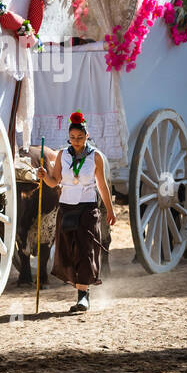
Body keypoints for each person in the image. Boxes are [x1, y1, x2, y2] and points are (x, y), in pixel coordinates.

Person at [37, 111, 115, 313]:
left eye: (80, 137)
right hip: (66, 208)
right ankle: (80, 288)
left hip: (88, 209)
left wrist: (111, 211)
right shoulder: (63, 155)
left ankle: (83, 297)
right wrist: (44, 176)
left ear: (87, 135)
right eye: (73, 137)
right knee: (69, 251)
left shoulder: (95, 157)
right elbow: (55, 182)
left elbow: (103, 186)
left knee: (85, 252)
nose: (76, 141)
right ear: (69, 137)